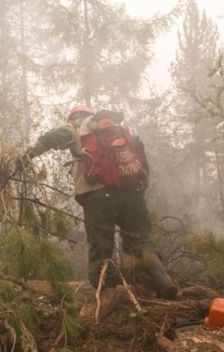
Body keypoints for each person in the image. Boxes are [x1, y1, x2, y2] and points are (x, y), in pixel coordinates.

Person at [25, 105, 177, 299]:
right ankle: (162, 282)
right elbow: (140, 165)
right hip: (132, 192)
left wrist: (28, 154)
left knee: (101, 246)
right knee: (140, 241)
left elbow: (53, 137)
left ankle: (106, 291)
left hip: (98, 196)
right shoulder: (117, 131)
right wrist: (137, 192)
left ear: (74, 118)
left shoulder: (77, 126)